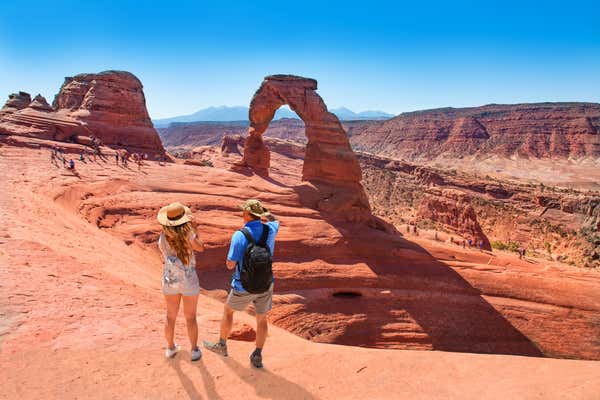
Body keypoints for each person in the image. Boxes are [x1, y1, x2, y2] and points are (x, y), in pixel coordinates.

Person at [204, 199, 279, 369]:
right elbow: (274, 219)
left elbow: (230, 263)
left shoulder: (240, 234)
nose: (241, 214)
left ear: (246, 214)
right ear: (259, 215)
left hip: (243, 285)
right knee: (261, 319)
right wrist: (266, 213)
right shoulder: (271, 229)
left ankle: (222, 345)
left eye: (243, 211)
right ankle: (257, 355)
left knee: (228, 311)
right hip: (266, 283)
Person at [157, 202, 205, 361]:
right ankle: (194, 350)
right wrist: (195, 230)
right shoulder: (189, 235)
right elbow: (200, 248)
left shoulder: (163, 237)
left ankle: (170, 348)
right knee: (190, 317)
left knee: (170, 316)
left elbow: (165, 253)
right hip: (188, 280)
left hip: (170, 280)